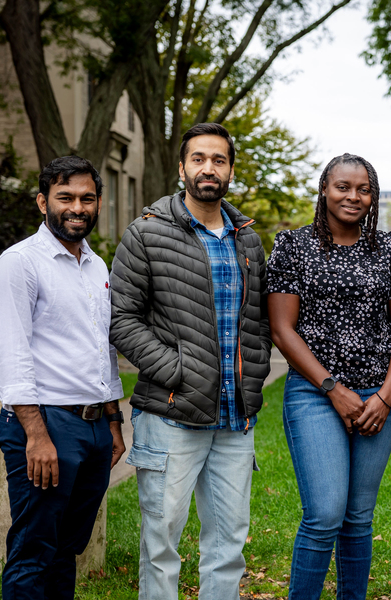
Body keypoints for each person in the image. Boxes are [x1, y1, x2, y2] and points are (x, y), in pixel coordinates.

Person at [109, 123, 271, 600]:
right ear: (182, 168)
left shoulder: (247, 241)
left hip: (233, 420)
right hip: (171, 415)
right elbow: (121, 318)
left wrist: (253, 378)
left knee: (228, 545)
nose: (209, 168)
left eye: (218, 160)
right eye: (198, 159)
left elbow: (257, 321)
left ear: (230, 170)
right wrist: (176, 371)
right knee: (161, 547)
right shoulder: (146, 234)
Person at [267, 153, 391, 599]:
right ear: (324, 190)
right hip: (315, 394)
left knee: (357, 517)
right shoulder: (293, 246)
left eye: (363, 189)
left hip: (379, 396)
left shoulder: (387, 248)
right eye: (343, 187)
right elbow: (282, 328)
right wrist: (333, 388)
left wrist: (386, 394)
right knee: (325, 513)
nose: (353, 196)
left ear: (374, 195)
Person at [0, 156, 126, 599]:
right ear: (42, 202)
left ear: (99, 202)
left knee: (68, 549)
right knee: (34, 550)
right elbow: (11, 354)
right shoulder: (19, 263)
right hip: (46, 424)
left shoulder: (97, 265)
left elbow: (101, 347)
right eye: (65, 197)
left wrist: (113, 420)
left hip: (93, 428)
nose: (77, 207)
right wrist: (35, 434)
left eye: (87, 198)